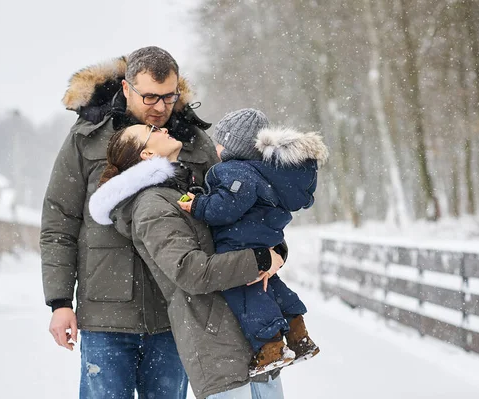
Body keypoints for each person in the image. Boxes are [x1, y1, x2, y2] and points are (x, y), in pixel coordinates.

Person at [40, 46, 219, 398]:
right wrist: (60, 302)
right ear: (126, 88)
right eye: (150, 96)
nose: (160, 107)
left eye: (169, 97)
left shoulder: (195, 143)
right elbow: (59, 220)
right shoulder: (86, 137)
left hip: (174, 312)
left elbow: (227, 212)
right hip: (105, 315)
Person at [88, 124, 286, 399]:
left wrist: (275, 251)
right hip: (217, 342)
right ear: (146, 154)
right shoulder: (151, 204)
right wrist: (261, 259)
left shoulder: (182, 189)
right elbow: (190, 271)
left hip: (248, 332)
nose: (163, 127)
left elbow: (235, 232)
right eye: (152, 129)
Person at [178, 109, 327, 376]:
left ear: (234, 146)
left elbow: (226, 207)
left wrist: (199, 204)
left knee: (246, 292)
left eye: (220, 142)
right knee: (272, 286)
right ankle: (298, 332)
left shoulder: (235, 171)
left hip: (240, 243)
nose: (216, 147)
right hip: (261, 238)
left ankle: (270, 346)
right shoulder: (263, 173)